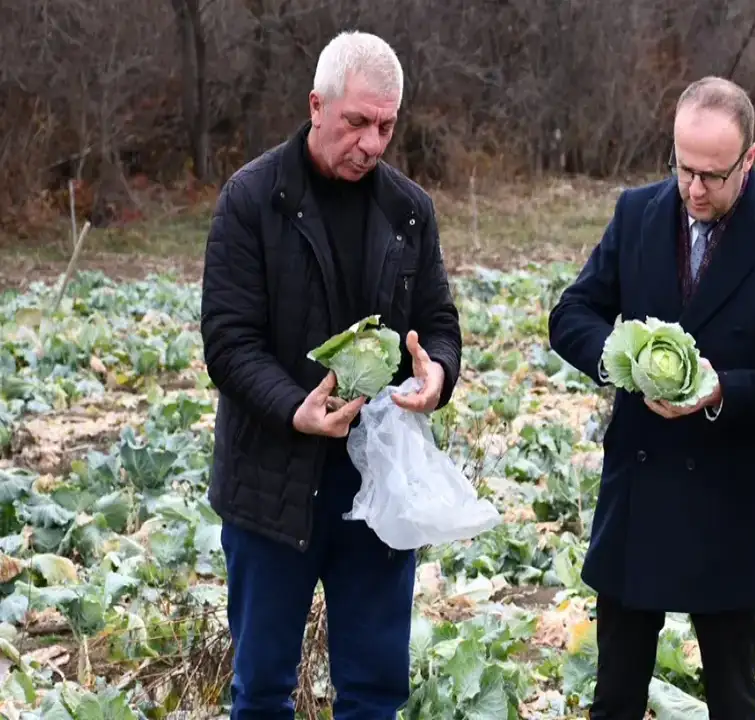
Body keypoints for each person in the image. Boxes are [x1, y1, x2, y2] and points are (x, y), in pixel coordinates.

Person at [548, 76, 755, 719]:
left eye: (713, 175)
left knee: (732, 698)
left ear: (749, 159)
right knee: (614, 695)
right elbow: (572, 313)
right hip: (639, 490)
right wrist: (621, 361)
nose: (695, 188)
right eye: (684, 169)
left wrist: (718, 388)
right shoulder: (636, 213)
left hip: (725, 499)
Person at [199, 30, 462, 719]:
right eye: (356, 123)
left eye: (386, 126)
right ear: (317, 106)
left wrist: (439, 374)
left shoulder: (410, 210)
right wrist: (295, 408)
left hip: (375, 485)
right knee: (261, 693)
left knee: (374, 693)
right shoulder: (251, 200)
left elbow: (438, 322)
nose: (372, 143)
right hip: (271, 487)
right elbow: (228, 342)